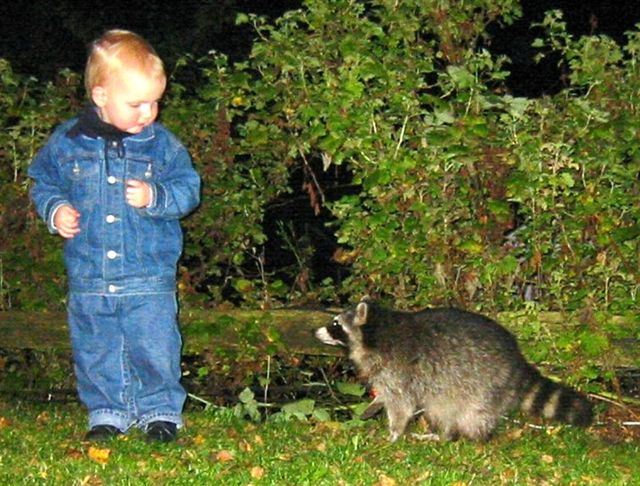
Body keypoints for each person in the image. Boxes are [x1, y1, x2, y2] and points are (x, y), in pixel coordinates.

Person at [28, 29, 201, 443]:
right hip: (89, 275)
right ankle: (107, 412)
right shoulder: (67, 142)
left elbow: (188, 188)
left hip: (147, 274)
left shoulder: (161, 146)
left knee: (155, 346)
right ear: (101, 96)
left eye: (155, 101)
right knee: (96, 348)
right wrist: (55, 210)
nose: (149, 113)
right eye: (137, 103)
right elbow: (42, 181)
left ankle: (160, 412)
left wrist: (155, 196)